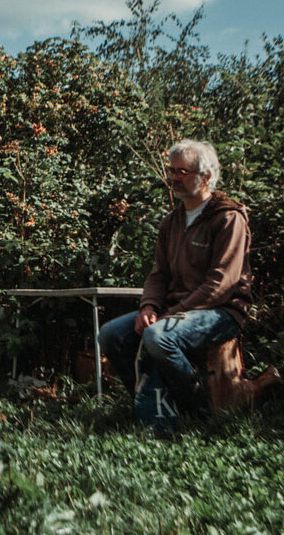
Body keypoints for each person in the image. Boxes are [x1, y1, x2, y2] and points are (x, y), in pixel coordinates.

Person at [98, 139, 251, 415]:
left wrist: (173, 313)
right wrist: (148, 307)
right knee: (110, 334)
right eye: (173, 171)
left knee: (158, 337)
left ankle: (196, 409)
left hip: (223, 312)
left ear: (205, 177)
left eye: (183, 172)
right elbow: (159, 275)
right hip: (177, 311)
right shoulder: (172, 222)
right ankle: (152, 402)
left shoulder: (228, 218)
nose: (175, 178)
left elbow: (221, 283)